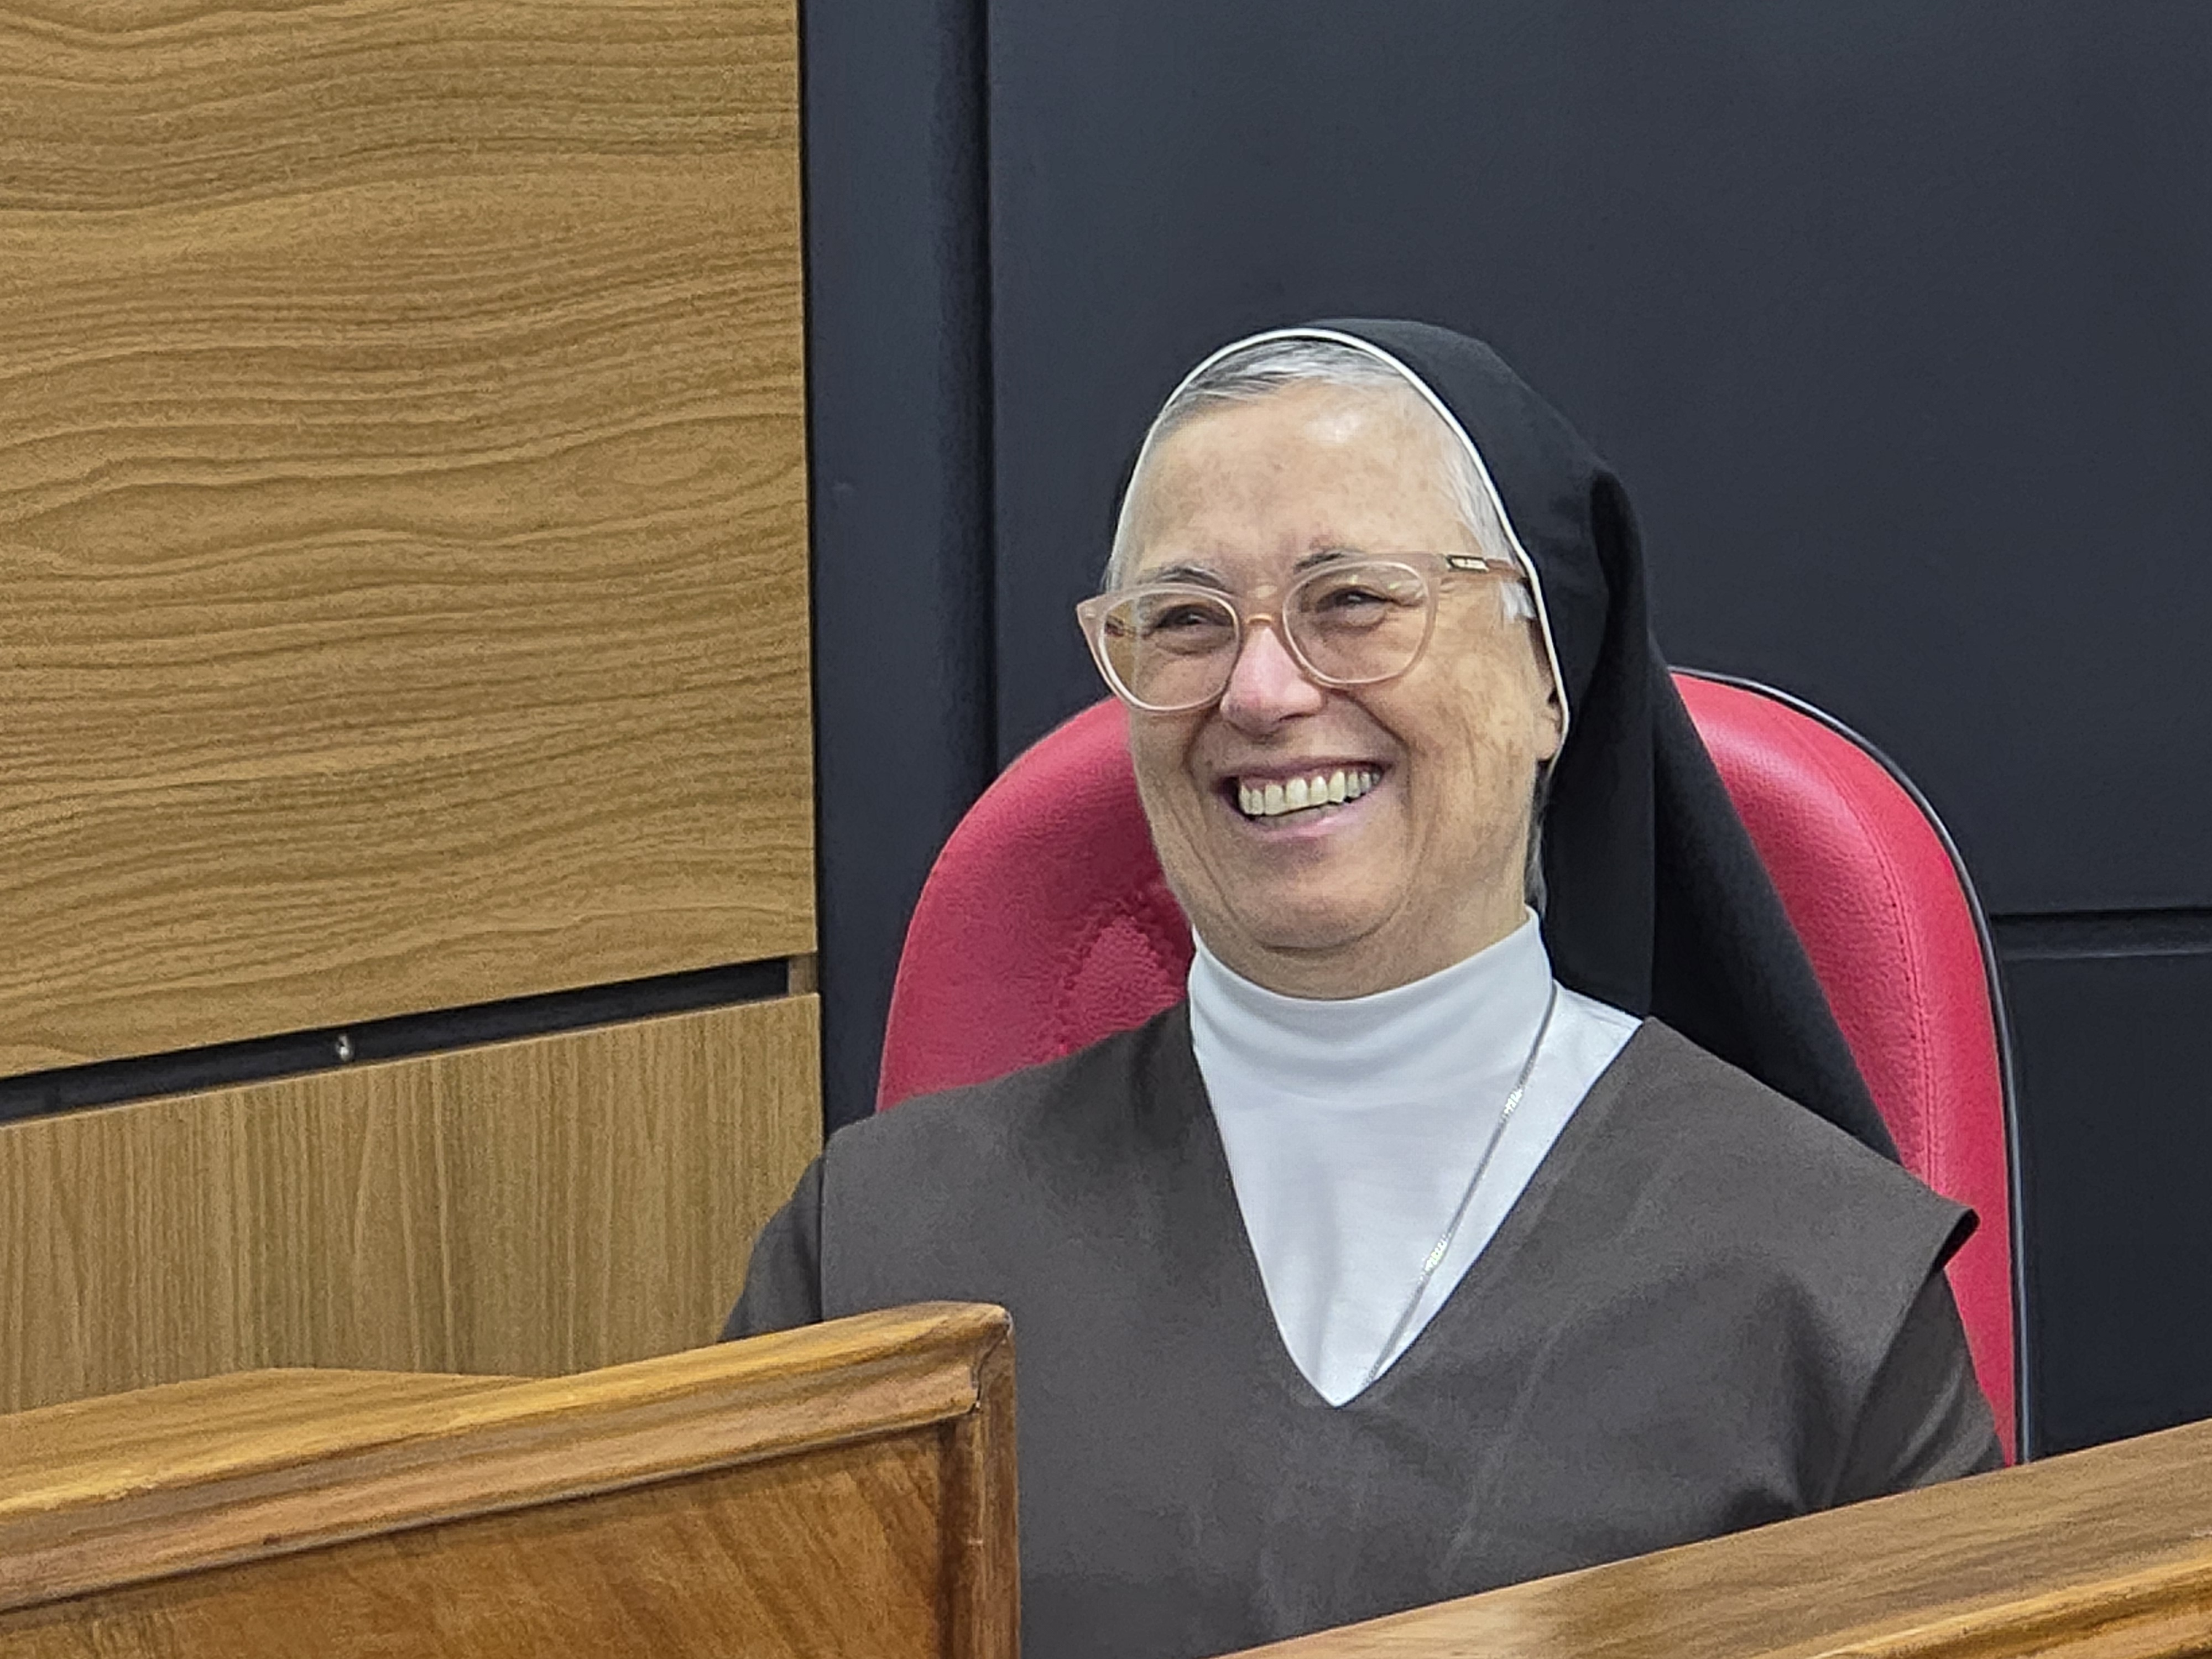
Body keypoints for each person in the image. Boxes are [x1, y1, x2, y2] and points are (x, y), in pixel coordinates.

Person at [726, 321, 2002, 1659]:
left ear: (1548, 674)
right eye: (1184, 621)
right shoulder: (875, 1250)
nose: (1261, 691)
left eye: (1350, 600)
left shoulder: (1821, 1287)